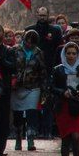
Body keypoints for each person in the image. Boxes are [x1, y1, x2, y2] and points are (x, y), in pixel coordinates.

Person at [26, 8, 63, 139]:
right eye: (40, 15)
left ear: (48, 16)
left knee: (48, 100)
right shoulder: (30, 30)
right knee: (32, 100)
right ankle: (33, 129)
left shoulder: (55, 31)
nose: (42, 17)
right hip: (33, 72)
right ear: (37, 15)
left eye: (44, 15)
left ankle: (47, 130)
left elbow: (59, 50)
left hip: (49, 69)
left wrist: (56, 68)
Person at [11, 29, 45, 151]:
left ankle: (30, 138)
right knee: (18, 113)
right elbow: (10, 66)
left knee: (32, 112)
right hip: (17, 87)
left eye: (32, 42)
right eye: (27, 41)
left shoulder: (38, 53)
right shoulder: (15, 50)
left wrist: (44, 88)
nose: (29, 44)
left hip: (33, 86)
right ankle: (18, 136)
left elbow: (42, 71)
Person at [0, 27, 18, 156]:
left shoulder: (9, 50)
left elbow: (14, 67)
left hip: (5, 89)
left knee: (3, 121)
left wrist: (0, 59)